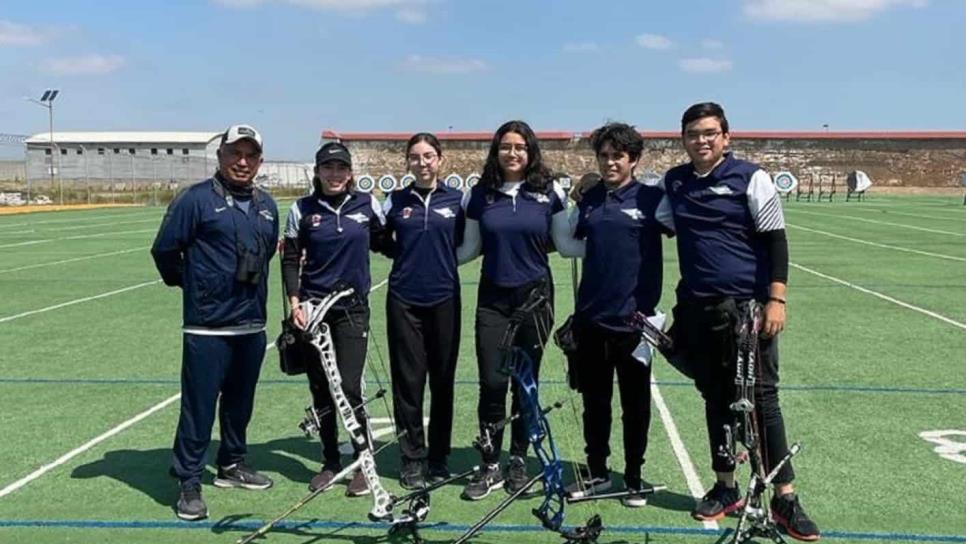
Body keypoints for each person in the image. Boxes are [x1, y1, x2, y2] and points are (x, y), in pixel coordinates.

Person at [657, 102, 820, 540]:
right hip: (697, 307)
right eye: (693, 133)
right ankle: (726, 485)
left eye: (710, 132)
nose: (701, 140)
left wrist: (776, 300)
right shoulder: (674, 182)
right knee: (715, 398)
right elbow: (658, 224)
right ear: (684, 139)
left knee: (764, 400)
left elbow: (776, 242)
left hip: (747, 310)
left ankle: (785, 495)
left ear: (726, 137)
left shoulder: (752, 178)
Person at [151, 124, 278, 521]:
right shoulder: (195, 200)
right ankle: (189, 479)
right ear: (220, 156)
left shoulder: (267, 204)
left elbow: (268, 251)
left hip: (251, 325)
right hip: (207, 326)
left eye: (250, 155)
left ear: (259, 161)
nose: (243, 162)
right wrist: (195, 285)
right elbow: (165, 251)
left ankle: (231, 464)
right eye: (235, 154)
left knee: (240, 404)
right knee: (199, 407)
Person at [457, 120, 576, 500]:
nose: (513, 153)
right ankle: (490, 463)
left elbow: (566, 245)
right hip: (493, 300)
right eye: (506, 146)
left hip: (536, 300)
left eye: (520, 147)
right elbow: (468, 250)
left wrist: (617, 240)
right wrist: (420, 256)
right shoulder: (479, 195)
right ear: (496, 151)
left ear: (531, 151)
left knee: (526, 384)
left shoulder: (550, 192)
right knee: (492, 382)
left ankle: (519, 459)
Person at [555, 122, 665, 508]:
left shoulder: (654, 200)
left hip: (636, 325)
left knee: (635, 407)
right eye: (603, 156)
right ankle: (598, 472)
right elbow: (567, 243)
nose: (609, 162)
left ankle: (634, 477)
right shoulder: (588, 199)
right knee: (595, 404)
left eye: (617, 155)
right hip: (592, 322)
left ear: (633, 159)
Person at [281, 141, 388, 498]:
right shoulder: (302, 208)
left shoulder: (367, 203)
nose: (335, 174)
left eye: (341, 168)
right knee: (321, 388)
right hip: (314, 311)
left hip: (353, 309)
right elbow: (291, 258)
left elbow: (387, 241)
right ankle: (330, 460)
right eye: (328, 168)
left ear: (350, 172)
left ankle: (363, 458)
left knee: (350, 386)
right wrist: (295, 303)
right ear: (317, 172)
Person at [382, 133, 465, 489]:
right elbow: (380, 239)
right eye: (415, 157)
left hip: (445, 298)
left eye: (429, 156)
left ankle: (439, 457)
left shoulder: (458, 201)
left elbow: (464, 241)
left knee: (442, 381)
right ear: (408, 163)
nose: (422, 162)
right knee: (408, 383)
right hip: (404, 300)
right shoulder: (394, 200)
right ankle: (412, 458)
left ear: (440, 160)